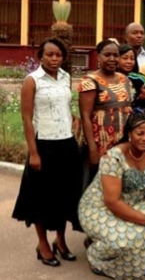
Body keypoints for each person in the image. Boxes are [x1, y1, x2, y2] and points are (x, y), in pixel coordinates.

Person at [78, 113, 145, 278]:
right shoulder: (113, 158)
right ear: (129, 134)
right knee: (125, 240)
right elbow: (112, 202)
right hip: (100, 207)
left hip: (136, 201)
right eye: (140, 133)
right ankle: (97, 255)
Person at [12, 37, 82, 267]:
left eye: (58, 55)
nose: (54, 59)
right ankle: (42, 244)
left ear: (63, 57)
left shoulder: (65, 77)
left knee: (64, 196)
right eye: (49, 54)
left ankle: (60, 241)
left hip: (67, 144)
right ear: (40, 56)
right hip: (44, 146)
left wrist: (73, 117)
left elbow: (63, 104)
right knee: (41, 198)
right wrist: (33, 152)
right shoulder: (32, 81)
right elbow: (26, 117)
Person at [78, 40, 133, 165]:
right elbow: (85, 117)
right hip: (101, 144)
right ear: (98, 56)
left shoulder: (124, 79)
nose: (112, 59)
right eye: (107, 55)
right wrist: (92, 149)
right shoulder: (90, 82)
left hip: (124, 143)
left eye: (116, 55)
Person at [117, 44, 145, 113]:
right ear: (117, 59)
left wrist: (141, 98)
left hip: (135, 120)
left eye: (132, 58)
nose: (129, 61)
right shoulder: (110, 78)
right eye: (125, 58)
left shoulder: (139, 79)